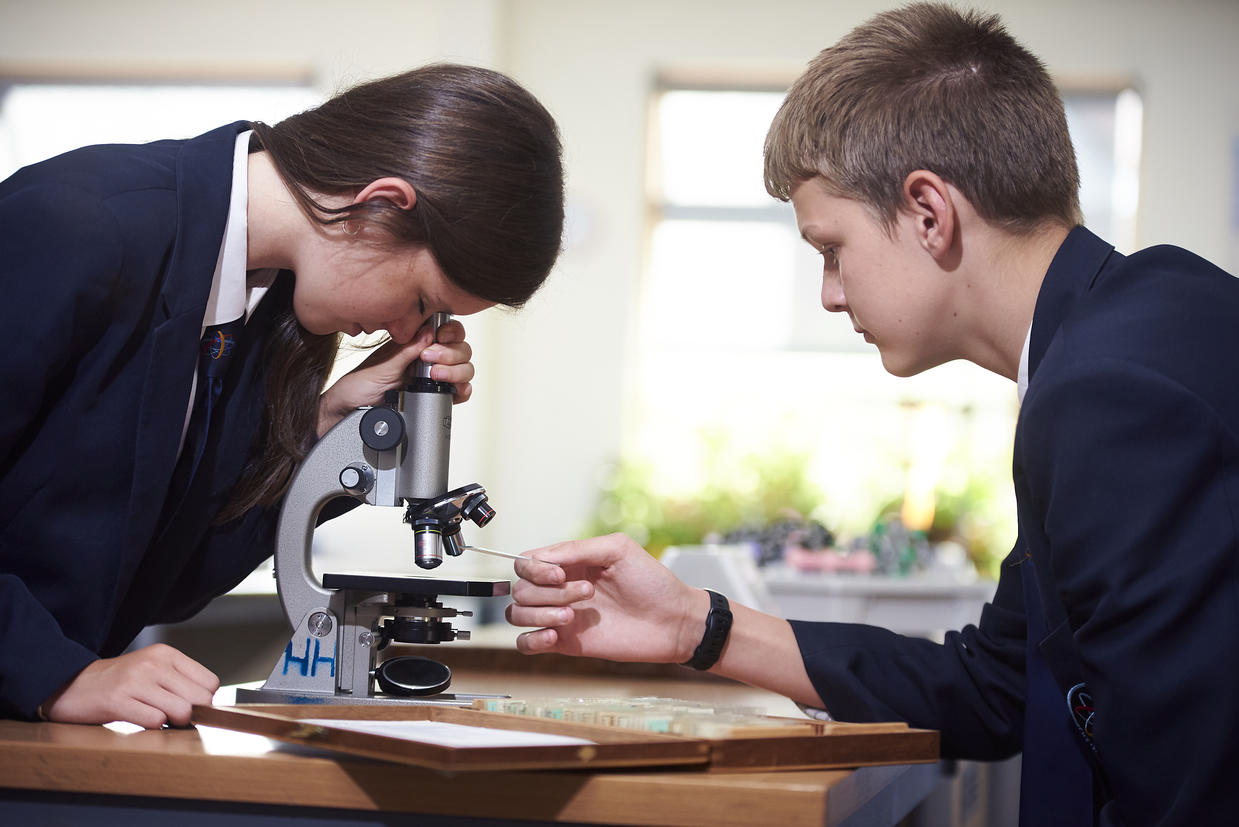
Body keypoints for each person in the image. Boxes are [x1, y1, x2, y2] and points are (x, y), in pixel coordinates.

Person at [506, 4, 1238, 825]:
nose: (827, 293)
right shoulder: (1128, 329)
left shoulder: (1110, 393)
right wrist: (695, 624)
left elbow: (1187, 793)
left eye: (831, 248)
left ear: (929, 211)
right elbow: (996, 684)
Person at [0, 63, 564, 729]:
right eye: (421, 303)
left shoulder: (269, 306)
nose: (409, 333)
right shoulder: (75, 224)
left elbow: (167, 577)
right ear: (380, 202)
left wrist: (328, 432)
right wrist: (55, 672)